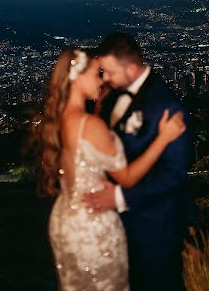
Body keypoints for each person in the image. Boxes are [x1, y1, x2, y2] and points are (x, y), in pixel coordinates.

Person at [39, 47, 186, 291]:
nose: (103, 79)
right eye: (98, 73)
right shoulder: (91, 124)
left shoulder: (61, 118)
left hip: (66, 218)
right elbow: (126, 179)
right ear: (79, 77)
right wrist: (164, 137)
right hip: (93, 222)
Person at [84, 32, 194, 291]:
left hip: (154, 226)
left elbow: (174, 175)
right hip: (115, 226)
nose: (105, 78)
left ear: (130, 67)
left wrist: (120, 197)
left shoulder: (167, 108)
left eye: (109, 71)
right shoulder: (110, 97)